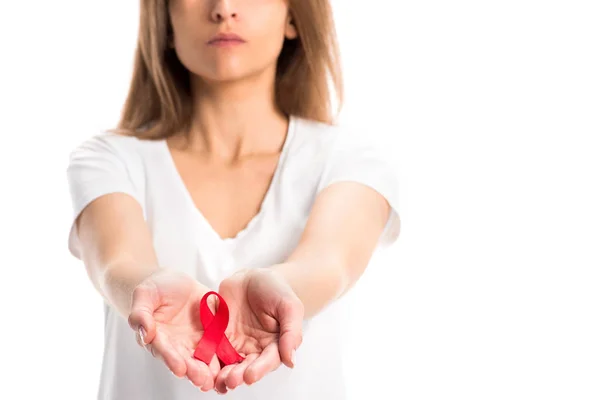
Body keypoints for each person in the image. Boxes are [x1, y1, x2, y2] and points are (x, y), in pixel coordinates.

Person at [66, 0, 400, 399]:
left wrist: (280, 287)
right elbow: (116, 262)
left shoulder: (348, 159)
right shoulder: (110, 158)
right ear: (166, 20)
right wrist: (146, 288)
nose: (224, 8)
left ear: (293, 16)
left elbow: (330, 263)